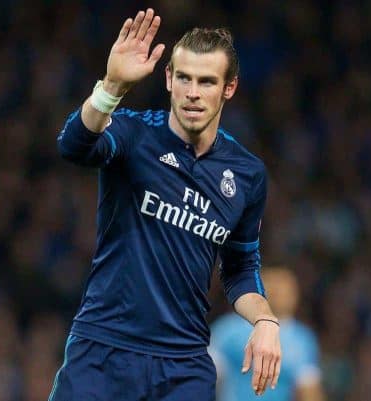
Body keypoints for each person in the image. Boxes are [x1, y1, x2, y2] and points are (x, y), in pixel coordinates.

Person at [49, 8, 281, 401]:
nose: (193, 92)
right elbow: (73, 146)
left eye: (207, 81)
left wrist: (265, 321)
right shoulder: (134, 133)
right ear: (169, 79)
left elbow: (240, 268)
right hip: (105, 350)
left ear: (229, 88)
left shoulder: (247, 174)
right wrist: (110, 87)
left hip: (183, 366)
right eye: (185, 78)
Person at [209, 267, 324, 401]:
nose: (277, 292)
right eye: (272, 284)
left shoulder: (303, 339)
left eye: (283, 287)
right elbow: (203, 375)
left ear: (295, 295)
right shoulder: (228, 328)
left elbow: (308, 389)